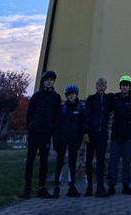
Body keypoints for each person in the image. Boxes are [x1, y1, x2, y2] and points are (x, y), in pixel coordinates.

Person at [21, 70, 61, 199]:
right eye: (47, 80)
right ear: (43, 81)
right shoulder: (37, 96)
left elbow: (57, 116)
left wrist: (53, 131)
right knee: (30, 159)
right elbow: (29, 113)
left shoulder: (56, 97)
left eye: (51, 80)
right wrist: (30, 127)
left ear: (53, 82)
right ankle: (27, 188)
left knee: (44, 161)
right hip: (35, 131)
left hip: (46, 132)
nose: (49, 82)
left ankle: (42, 188)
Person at [107, 75, 131, 196]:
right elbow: (119, 108)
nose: (125, 87)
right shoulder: (115, 97)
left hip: (128, 136)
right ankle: (111, 185)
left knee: (126, 162)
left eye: (127, 85)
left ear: (130, 87)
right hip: (116, 135)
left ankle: (126, 185)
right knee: (113, 161)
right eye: (123, 85)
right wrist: (130, 101)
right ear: (120, 87)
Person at [83, 77, 113, 197]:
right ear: (96, 86)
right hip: (91, 134)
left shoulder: (108, 99)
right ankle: (89, 187)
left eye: (103, 85)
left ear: (106, 86)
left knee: (101, 161)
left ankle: (100, 187)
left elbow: (120, 97)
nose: (101, 87)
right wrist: (85, 132)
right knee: (89, 161)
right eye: (99, 85)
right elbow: (86, 116)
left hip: (102, 135)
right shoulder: (91, 99)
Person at [53, 84, 84, 198]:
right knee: (60, 162)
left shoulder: (80, 108)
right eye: (69, 94)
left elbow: (81, 125)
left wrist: (80, 139)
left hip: (74, 139)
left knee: (72, 162)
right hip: (62, 138)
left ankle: (72, 186)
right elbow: (57, 124)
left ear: (76, 95)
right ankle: (57, 186)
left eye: (73, 94)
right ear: (66, 96)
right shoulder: (62, 108)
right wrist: (55, 139)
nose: (71, 96)